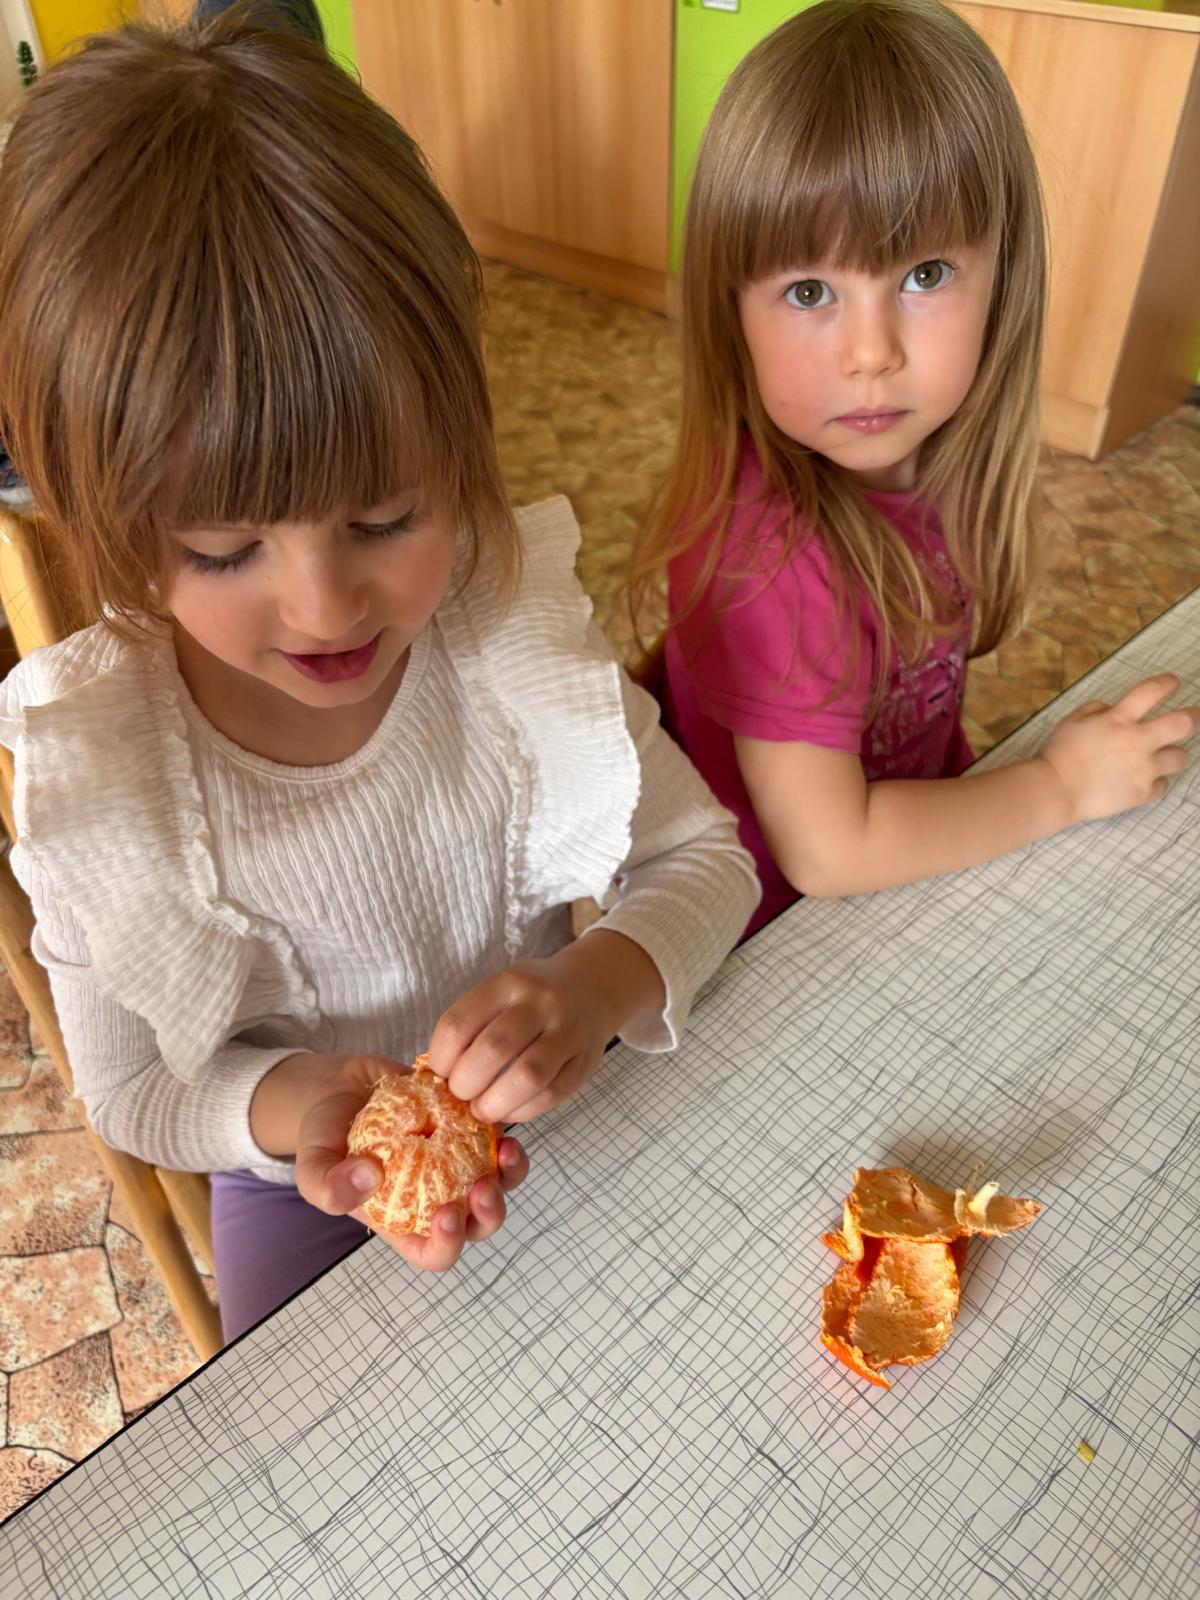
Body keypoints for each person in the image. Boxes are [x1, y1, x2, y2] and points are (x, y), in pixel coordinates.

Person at [0, 16, 759, 1340]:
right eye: (224, 548)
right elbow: (132, 1090)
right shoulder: (111, 769)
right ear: (109, 525)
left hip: (555, 1094)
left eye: (389, 516)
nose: (325, 604)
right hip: (301, 1182)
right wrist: (295, 1105)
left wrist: (595, 984)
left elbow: (709, 862)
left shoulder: (501, 633)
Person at [631, 0, 1197, 938]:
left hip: (917, 855)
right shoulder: (771, 556)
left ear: (1003, 278)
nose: (871, 354)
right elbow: (829, 852)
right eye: (809, 291)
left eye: (924, 275)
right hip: (792, 942)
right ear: (731, 314)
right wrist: (1059, 786)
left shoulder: (932, 452)